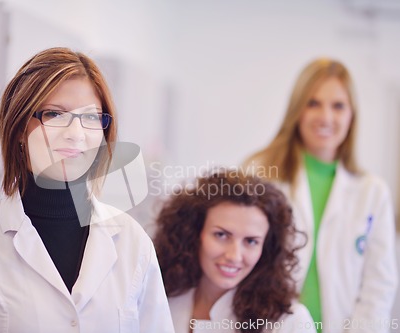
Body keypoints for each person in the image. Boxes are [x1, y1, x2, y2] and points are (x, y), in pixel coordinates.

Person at [0, 47, 175, 333]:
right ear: (19, 128)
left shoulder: (132, 241)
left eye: (91, 118)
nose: (75, 134)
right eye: (54, 114)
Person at [244, 58, 398, 333]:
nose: (326, 117)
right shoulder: (260, 173)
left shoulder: (372, 192)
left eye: (338, 106)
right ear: (297, 110)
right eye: (313, 103)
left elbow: (379, 285)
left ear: (352, 115)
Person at [154, 172, 316, 333]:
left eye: (251, 241)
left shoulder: (289, 322)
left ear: (266, 248)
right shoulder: (161, 299)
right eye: (221, 235)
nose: (234, 256)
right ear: (194, 233)